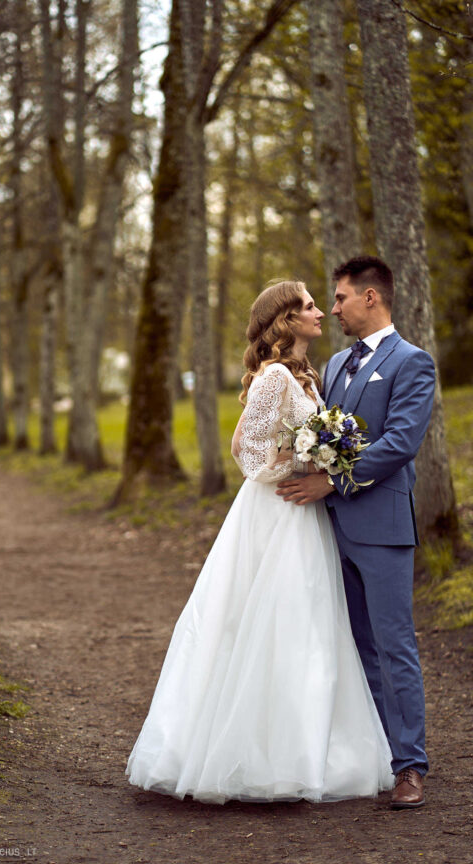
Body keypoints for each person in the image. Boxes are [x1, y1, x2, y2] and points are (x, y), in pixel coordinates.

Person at [126, 280, 393, 804]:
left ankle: (304, 752)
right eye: (310, 306)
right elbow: (245, 450)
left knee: (307, 625)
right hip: (277, 513)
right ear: (287, 320)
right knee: (273, 622)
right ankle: (253, 758)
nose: (321, 312)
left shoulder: (306, 377)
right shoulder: (274, 377)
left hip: (305, 514)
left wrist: (321, 460)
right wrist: (299, 467)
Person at [276, 256, 435, 810]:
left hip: (382, 527)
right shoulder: (337, 363)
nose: (334, 308)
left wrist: (330, 482)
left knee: (394, 646)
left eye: (340, 297)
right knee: (354, 645)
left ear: (371, 297)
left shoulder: (412, 362)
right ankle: (375, 756)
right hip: (328, 530)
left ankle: (410, 765)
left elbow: (399, 443)